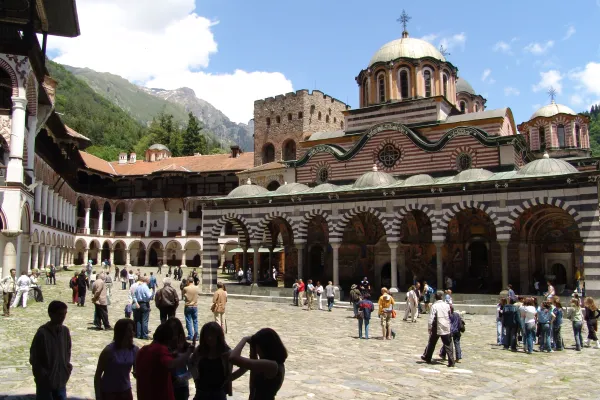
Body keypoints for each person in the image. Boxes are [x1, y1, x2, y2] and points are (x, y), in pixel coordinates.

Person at [135, 323, 194, 400]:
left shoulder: (142, 350)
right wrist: (188, 352)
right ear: (169, 340)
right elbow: (171, 364)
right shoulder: (160, 350)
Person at [189, 322, 247, 400]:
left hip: (218, 393)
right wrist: (196, 378)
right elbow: (191, 363)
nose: (209, 338)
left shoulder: (226, 353)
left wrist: (229, 378)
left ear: (218, 336)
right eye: (207, 335)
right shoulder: (200, 350)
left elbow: (244, 367)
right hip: (201, 392)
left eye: (212, 335)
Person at [30, 301, 72, 399]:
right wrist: (42, 376)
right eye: (60, 314)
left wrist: (67, 368)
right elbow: (34, 358)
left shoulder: (65, 332)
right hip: (45, 382)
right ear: (51, 314)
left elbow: (68, 351)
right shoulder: (42, 334)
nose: (63, 317)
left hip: (61, 379)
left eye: (64, 314)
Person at [229, 328, 287, 400]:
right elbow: (252, 373)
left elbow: (233, 358)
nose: (257, 349)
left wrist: (244, 339)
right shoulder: (276, 363)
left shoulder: (271, 365)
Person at [94, 319, 138, 400]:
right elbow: (98, 375)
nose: (132, 333)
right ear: (121, 332)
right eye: (129, 330)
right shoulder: (109, 351)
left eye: (133, 330)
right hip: (109, 392)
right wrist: (98, 395)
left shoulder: (134, 350)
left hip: (126, 391)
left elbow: (136, 369)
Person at [421, 291, 454, 367]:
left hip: (436, 326)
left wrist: (429, 327)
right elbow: (449, 314)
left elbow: (431, 318)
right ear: (442, 297)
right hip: (446, 325)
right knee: (448, 344)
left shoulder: (434, 306)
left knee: (432, 343)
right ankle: (451, 361)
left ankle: (428, 357)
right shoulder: (446, 305)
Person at [165, 319, 192, 400]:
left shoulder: (186, 347)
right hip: (166, 386)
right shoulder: (164, 346)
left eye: (175, 330)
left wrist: (182, 378)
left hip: (181, 388)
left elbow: (193, 370)